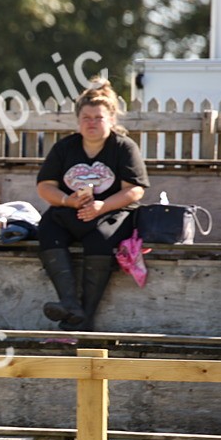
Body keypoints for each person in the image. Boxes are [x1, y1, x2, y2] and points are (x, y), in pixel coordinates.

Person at [36, 77, 149, 331]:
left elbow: (135, 190)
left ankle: (84, 318)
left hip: (112, 212)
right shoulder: (65, 147)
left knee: (99, 237)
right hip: (72, 210)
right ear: (78, 120)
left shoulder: (123, 147)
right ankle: (69, 302)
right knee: (47, 228)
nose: (92, 123)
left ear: (111, 119)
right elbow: (44, 186)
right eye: (86, 118)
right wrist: (67, 200)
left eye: (98, 117)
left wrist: (102, 206)